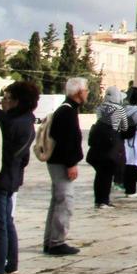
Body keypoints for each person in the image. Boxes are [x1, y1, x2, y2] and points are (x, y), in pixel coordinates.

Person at [0, 80, 39, 274]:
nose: (4, 103)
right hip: (12, 178)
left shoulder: (12, 123)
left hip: (2, 179)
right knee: (7, 222)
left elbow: (4, 151)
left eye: (7, 99)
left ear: (17, 101)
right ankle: (12, 268)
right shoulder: (26, 121)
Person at [44, 76, 89, 256]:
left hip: (58, 162)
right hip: (62, 163)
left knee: (57, 201)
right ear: (78, 92)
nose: (87, 94)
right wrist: (71, 164)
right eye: (86, 90)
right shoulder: (67, 111)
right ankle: (57, 242)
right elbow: (65, 141)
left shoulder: (67, 109)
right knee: (65, 201)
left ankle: (50, 241)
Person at [87, 87, 127, 209]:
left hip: (98, 141)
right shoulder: (120, 109)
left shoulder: (99, 107)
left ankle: (98, 200)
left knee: (100, 173)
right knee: (108, 173)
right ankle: (104, 200)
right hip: (111, 142)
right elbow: (124, 126)